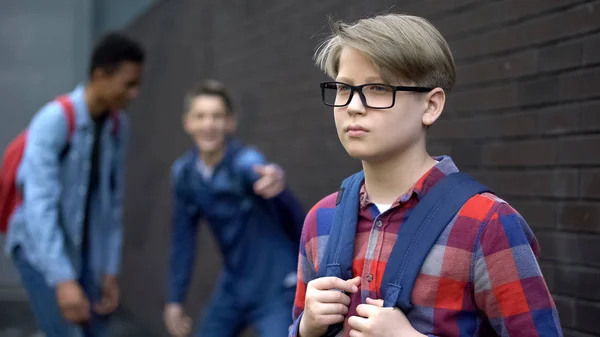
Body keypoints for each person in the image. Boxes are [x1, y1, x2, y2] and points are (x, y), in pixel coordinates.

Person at [290, 14, 563, 337]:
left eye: (377, 88)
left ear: (431, 105)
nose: (353, 105)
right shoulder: (321, 219)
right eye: (343, 88)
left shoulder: (487, 224)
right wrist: (305, 328)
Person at [4, 31, 145, 337]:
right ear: (100, 76)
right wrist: (62, 280)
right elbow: (38, 207)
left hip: (83, 250)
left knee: (94, 329)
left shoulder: (118, 127)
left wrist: (109, 269)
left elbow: (112, 202)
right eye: (128, 84)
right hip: (37, 247)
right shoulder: (54, 120)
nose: (133, 94)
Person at [163, 80, 305, 337]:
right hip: (234, 284)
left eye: (217, 116)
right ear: (188, 122)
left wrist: (272, 178)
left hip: (275, 284)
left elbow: (259, 170)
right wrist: (175, 300)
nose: (209, 124)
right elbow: (183, 240)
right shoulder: (185, 175)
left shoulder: (244, 161)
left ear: (230, 123)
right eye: (201, 116)